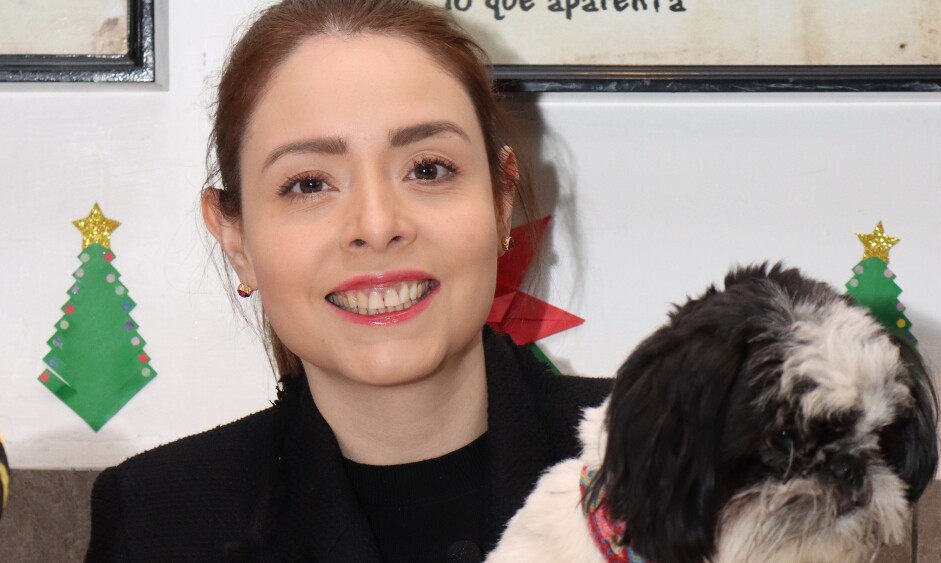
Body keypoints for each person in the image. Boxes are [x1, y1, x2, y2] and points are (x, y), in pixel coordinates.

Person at [86, 1, 610, 561]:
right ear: (235, 239)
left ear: (501, 200)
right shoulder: (156, 520)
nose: (377, 226)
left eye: (427, 169)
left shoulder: (682, 456)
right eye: (310, 184)